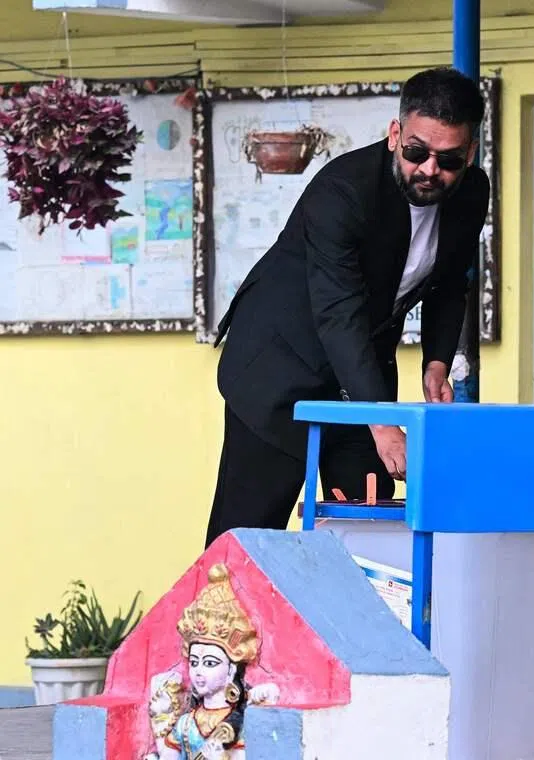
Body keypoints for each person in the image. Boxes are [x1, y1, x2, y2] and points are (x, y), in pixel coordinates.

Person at [203, 66, 490, 549]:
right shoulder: (343, 191)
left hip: (362, 372)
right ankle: (210, 627)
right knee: (251, 539)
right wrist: (380, 422)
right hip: (278, 368)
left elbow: (450, 282)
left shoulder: (470, 193)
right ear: (395, 134)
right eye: (417, 152)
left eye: (448, 160)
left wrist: (438, 361)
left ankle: (356, 625)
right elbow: (340, 315)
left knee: (368, 528)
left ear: (470, 153)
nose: (429, 170)